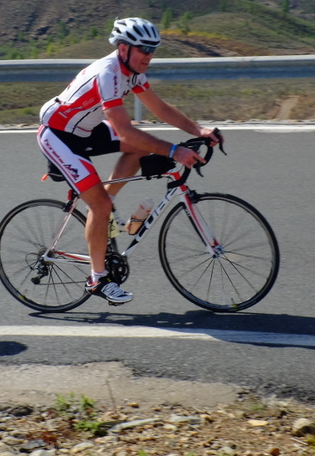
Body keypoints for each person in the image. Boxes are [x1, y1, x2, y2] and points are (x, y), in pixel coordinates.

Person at [37, 17, 221, 305]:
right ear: (123, 49)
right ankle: (97, 279)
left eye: (153, 50)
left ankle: (105, 210)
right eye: (144, 49)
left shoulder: (132, 71)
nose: (149, 56)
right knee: (100, 203)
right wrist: (174, 151)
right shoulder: (108, 73)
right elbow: (124, 131)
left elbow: (160, 108)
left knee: (138, 151)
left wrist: (198, 130)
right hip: (58, 135)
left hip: (86, 129)